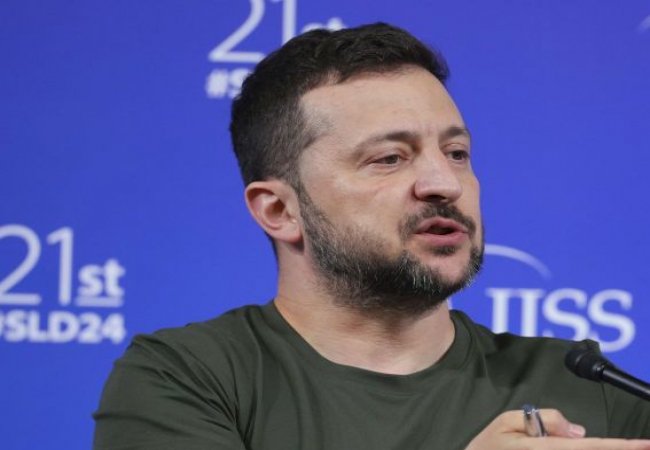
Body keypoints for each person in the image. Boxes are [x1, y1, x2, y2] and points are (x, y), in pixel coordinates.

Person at [93, 23, 650, 449]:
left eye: (457, 153)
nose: (443, 183)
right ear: (280, 210)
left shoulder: (585, 385)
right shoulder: (188, 377)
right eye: (390, 158)